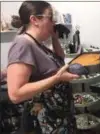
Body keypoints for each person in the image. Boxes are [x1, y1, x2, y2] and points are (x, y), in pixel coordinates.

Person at [7, 1, 79, 134]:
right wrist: (57, 78)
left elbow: (60, 58)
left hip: (59, 118)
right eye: (50, 18)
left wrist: (54, 38)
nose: (53, 23)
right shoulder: (23, 45)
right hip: (46, 124)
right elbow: (15, 94)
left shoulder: (38, 44)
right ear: (34, 20)